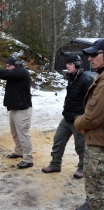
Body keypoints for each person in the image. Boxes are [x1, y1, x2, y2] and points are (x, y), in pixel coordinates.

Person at [42, 55, 94, 178]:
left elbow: (91, 103)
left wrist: (85, 121)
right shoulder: (71, 77)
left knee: (81, 146)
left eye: (70, 64)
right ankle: (55, 164)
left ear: (77, 64)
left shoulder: (86, 80)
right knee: (58, 141)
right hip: (67, 117)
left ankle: (82, 168)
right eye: (67, 64)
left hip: (79, 119)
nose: (67, 66)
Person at [0, 56, 33, 169]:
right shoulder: (14, 74)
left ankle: (28, 159)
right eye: (7, 66)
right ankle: (19, 152)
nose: (7, 68)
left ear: (16, 65)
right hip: (14, 108)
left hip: (23, 110)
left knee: (23, 134)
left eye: (9, 66)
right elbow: (6, 74)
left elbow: (5, 74)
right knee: (15, 133)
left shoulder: (22, 72)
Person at [74, 39, 104, 210]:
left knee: (97, 189)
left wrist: (78, 122)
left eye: (94, 54)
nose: (90, 58)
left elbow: (92, 117)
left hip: (99, 144)